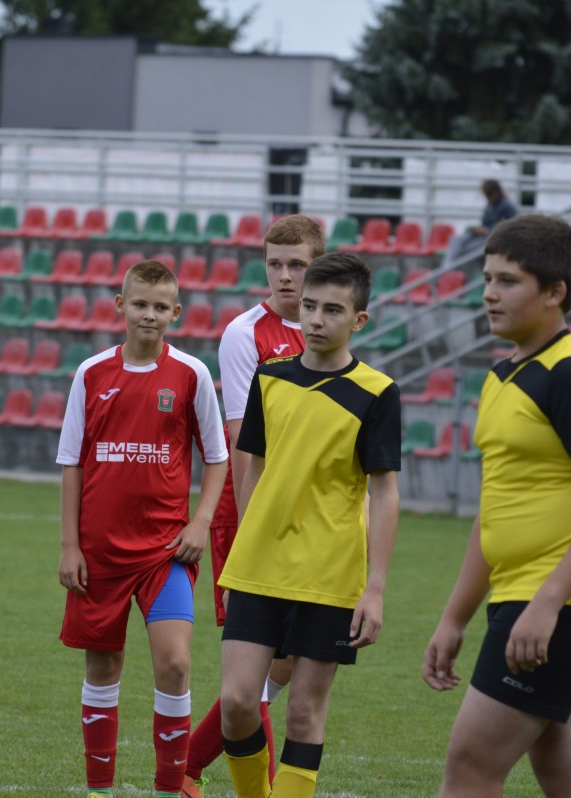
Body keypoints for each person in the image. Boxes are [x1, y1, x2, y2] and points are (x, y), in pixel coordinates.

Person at [423, 214, 571, 798]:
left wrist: (547, 604)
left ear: (554, 292)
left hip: (556, 602)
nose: (489, 293)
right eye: (487, 278)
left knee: (470, 769)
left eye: (508, 281)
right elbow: (495, 511)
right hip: (530, 598)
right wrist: (454, 617)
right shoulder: (503, 376)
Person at [218, 252, 402, 798]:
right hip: (259, 567)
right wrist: (242, 548)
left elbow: (384, 491)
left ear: (359, 319)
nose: (316, 320)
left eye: (332, 310)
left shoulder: (377, 392)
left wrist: (375, 586)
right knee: (236, 704)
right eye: (309, 306)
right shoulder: (270, 379)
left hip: (329, 574)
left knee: (303, 713)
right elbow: (254, 467)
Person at [56, 259, 229, 798]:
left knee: (175, 664)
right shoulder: (90, 373)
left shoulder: (191, 374)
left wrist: (201, 522)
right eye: (139, 304)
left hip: (165, 552)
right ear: (120, 306)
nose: (148, 315)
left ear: (176, 312)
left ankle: (168, 789)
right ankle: (98, 790)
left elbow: (218, 457)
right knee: (103, 666)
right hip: (99, 555)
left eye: (159, 306)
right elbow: (72, 463)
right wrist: (70, 546)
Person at [183, 214, 323, 797]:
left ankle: (186, 769)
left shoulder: (326, 329)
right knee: (257, 666)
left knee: (282, 665)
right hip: (251, 512)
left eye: (298, 265)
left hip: (305, 517)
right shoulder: (246, 335)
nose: (285, 276)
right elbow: (244, 440)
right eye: (275, 264)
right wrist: (251, 529)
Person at [443, 179, 519, 267]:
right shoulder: (489, 206)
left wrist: (486, 231)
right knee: (456, 240)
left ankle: (448, 269)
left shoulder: (507, 207)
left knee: (464, 250)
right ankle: (446, 267)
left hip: (493, 239)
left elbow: (508, 231)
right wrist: (477, 230)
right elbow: (484, 224)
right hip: (482, 237)